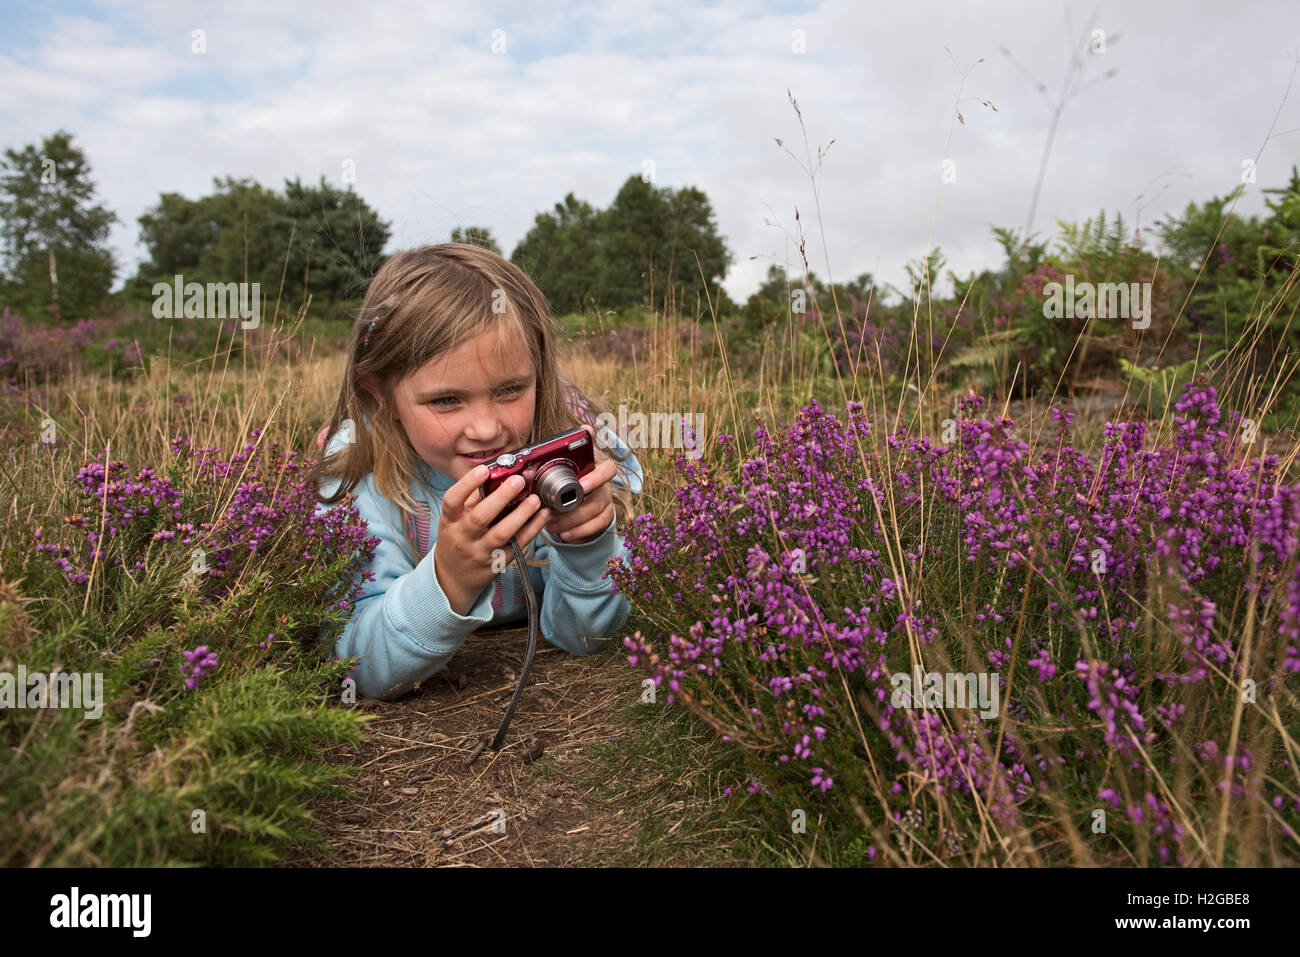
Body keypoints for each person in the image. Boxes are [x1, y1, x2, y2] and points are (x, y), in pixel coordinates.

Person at [309, 243, 643, 701]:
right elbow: (355, 665)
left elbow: (589, 640)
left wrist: (587, 549)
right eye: (446, 400)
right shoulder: (358, 482)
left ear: (540, 377)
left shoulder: (565, 450)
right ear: (379, 393)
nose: (487, 430)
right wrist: (450, 578)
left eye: (511, 389)